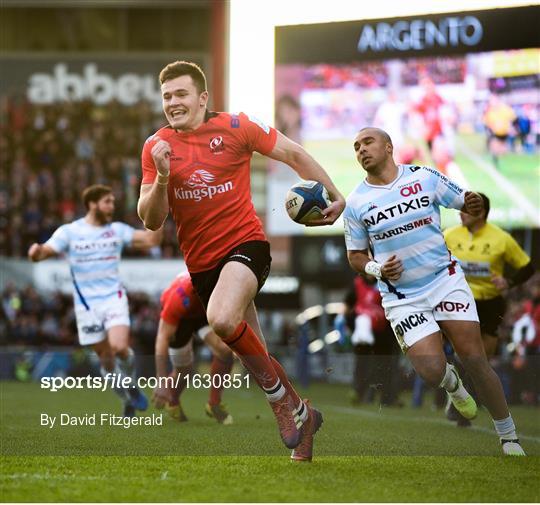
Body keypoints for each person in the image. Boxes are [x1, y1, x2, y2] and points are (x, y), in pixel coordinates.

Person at [137, 60, 345, 461]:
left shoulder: (237, 127)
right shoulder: (155, 146)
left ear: (202, 97)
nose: (173, 103)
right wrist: (163, 176)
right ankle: (305, 418)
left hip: (246, 246)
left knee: (220, 319)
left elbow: (293, 153)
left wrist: (336, 193)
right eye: (166, 96)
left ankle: (281, 405)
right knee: (254, 356)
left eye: (181, 94)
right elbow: (151, 219)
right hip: (202, 267)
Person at [343, 127, 526, 456]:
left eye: (367, 142)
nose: (361, 150)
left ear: (388, 146)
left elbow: (463, 202)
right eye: (356, 147)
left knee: (474, 357)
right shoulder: (356, 202)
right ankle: (451, 383)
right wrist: (376, 268)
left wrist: (468, 202)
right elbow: (355, 256)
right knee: (430, 372)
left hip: (444, 280)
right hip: (402, 297)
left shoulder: (425, 176)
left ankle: (508, 436)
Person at [28, 184, 162, 417]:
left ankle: (131, 385)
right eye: (107, 201)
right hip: (87, 305)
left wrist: (160, 210)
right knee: (107, 361)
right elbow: (45, 251)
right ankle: (127, 399)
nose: (112, 206)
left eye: (112, 201)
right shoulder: (70, 232)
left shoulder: (117, 230)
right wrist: (36, 252)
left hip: (113, 298)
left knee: (120, 347)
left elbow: (151, 241)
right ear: (92, 204)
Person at [151, 272, 235, 425]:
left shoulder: (223, 285)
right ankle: (173, 400)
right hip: (182, 318)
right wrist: (161, 380)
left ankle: (214, 403)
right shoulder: (179, 298)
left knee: (225, 350)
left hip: (202, 312)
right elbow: (162, 337)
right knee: (185, 370)